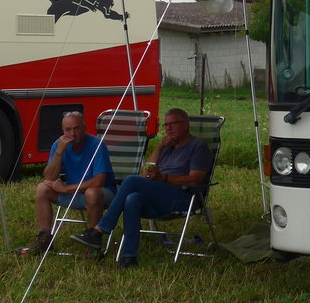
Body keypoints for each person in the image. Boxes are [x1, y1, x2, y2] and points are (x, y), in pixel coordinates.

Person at [71, 107, 211, 268]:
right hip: (159, 196)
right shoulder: (168, 147)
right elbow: (146, 172)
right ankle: (130, 257)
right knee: (132, 199)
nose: (169, 129)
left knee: (131, 180)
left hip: (182, 197)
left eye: (173, 124)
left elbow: (195, 179)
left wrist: (164, 178)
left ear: (186, 124)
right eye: (165, 125)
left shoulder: (198, 146)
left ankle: (100, 230)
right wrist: (159, 147)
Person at [28, 110, 115, 254]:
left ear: (84, 127)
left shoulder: (97, 145)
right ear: (62, 130)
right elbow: (49, 177)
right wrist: (58, 153)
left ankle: (93, 242)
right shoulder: (59, 145)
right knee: (42, 189)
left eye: (76, 128)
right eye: (68, 130)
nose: (72, 134)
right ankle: (44, 238)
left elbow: (99, 181)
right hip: (76, 193)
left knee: (91, 193)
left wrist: (67, 189)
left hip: (103, 193)